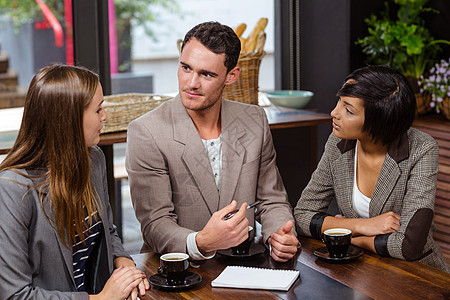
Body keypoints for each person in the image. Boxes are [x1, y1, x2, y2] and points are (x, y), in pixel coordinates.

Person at [126, 21, 299, 262]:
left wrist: (279, 234)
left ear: (231, 76)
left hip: (245, 265)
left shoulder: (255, 120)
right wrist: (203, 242)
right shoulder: (146, 131)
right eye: (186, 68)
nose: (191, 83)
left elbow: (272, 199)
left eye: (206, 74)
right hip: (178, 272)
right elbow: (155, 224)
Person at [0, 64, 150, 299]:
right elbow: (15, 295)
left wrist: (124, 263)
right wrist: (99, 299)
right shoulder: (12, 188)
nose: (105, 116)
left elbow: (107, 230)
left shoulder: (94, 159)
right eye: (98, 109)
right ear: (67, 119)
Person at [294, 65, 449, 272]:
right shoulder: (338, 144)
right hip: (355, 268)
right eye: (340, 101)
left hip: (414, 273)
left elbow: (409, 245)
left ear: (380, 121)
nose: (334, 112)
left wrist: (346, 235)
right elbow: (303, 216)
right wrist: (363, 226)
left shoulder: (421, 148)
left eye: (349, 110)